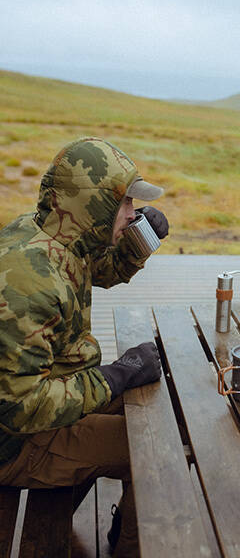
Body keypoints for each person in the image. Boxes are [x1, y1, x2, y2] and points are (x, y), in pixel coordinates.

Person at [0, 137, 170, 556]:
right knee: (155, 452)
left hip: (58, 397)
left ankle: (126, 529)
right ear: (91, 203)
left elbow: (99, 269)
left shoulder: (52, 237)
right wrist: (114, 376)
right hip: (20, 444)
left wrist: (139, 240)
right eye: (125, 202)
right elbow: (21, 407)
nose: (132, 212)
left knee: (155, 409)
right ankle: (129, 548)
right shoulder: (30, 285)